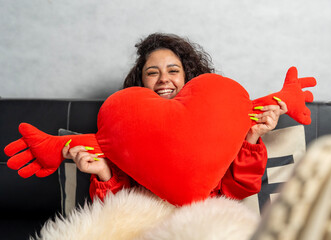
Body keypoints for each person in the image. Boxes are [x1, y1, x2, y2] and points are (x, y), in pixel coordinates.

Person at [62, 33, 288, 202]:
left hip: (205, 223)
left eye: (173, 70)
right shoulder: (124, 128)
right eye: (152, 72)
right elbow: (115, 207)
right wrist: (103, 172)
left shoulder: (218, 121)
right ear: (140, 83)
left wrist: (251, 137)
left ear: (188, 75)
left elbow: (238, 190)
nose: (163, 79)